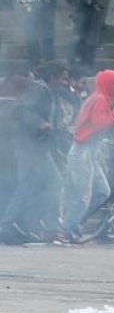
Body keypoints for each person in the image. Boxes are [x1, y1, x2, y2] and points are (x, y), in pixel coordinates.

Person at [0, 62, 72, 243]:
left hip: (34, 146)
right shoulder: (40, 90)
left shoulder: (48, 92)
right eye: (63, 78)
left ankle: (8, 224)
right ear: (53, 76)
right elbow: (20, 110)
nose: (65, 82)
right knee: (55, 182)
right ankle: (51, 229)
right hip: (32, 147)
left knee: (26, 186)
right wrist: (40, 122)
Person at [55, 69, 114, 244]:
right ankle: (64, 230)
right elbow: (100, 122)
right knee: (83, 197)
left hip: (89, 154)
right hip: (82, 153)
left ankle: (73, 223)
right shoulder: (100, 99)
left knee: (102, 192)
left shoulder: (101, 98)